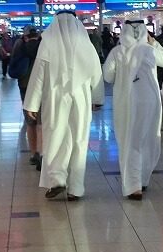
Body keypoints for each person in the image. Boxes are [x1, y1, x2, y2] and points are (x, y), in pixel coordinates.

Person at [24, 12, 104, 200]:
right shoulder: (86, 45)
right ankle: (76, 188)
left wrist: (32, 104)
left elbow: (38, 75)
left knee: (55, 136)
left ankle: (57, 179)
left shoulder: (48, 43)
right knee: (79, 140)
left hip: (55, 97)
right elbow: (96, 72)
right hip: (81, 98)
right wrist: (97, 99)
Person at [103, 19, 163, 198]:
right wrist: (154, 43)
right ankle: (142, 180)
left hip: (125, 103)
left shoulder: (117, 52)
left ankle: (134, 185)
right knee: (147, 140)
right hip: (149, 101)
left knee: (130, 141)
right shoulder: (150, 50)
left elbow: (108, 76)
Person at [9, 26, 43, 168]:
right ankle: (42, 154)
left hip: (25, 87)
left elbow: (12, 68)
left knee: (30, 123)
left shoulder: (19, 47)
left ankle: (33, 154)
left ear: (25, 36)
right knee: (42, 122)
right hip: (42, 88)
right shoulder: (44, 47)